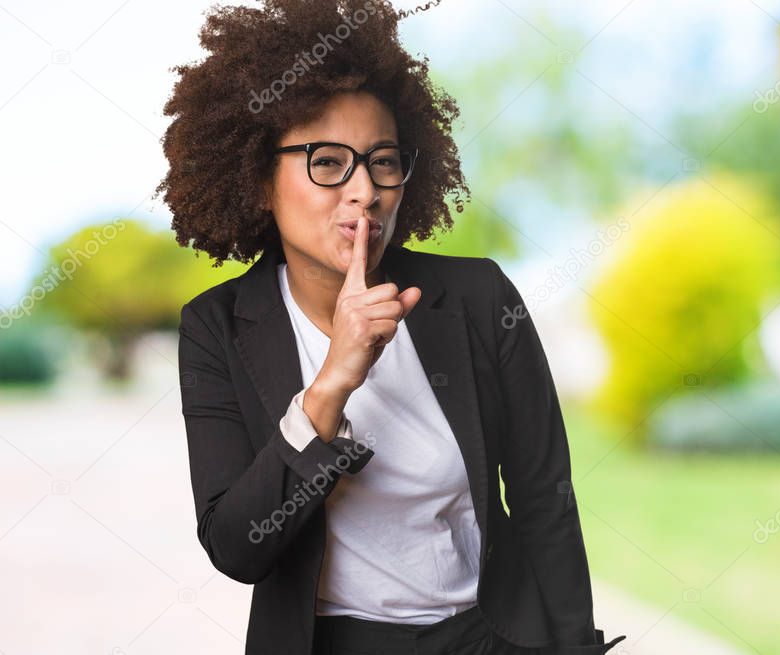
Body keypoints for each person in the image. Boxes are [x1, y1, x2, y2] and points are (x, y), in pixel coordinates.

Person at [159, 1, 627, 653]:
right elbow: (239, 548)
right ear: (260, 180)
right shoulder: (217, 326)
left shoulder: (477, 296)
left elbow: (543, 496)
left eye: (383, 161)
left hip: (485, 635)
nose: (365, 191)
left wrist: (574, 644)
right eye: (327, 161)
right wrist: (332, 384)